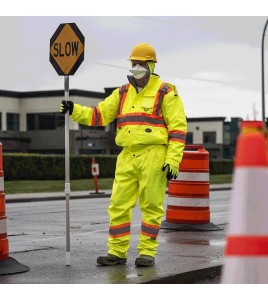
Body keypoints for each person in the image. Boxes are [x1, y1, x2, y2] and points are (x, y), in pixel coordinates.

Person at [60, 43, 187, 267]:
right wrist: (75, 110)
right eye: (133, 63)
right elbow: (99, 115)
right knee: (118, 205)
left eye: (140, 63)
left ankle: (147, 252)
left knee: (151, 206)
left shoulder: (166, 92)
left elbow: (178, 129)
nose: (136, 67)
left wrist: (173, 160)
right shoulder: (122, 92)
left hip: (154, 155)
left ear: (151, 65)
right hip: (127, 155)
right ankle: (117, 252)